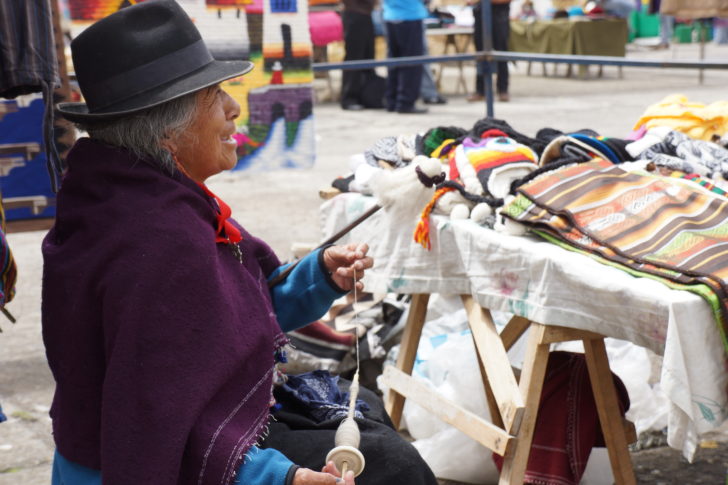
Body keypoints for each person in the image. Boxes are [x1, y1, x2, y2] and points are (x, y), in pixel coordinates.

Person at [44, 2, 377, 484]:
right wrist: (283, 477)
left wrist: (318, 275)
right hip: (129, 465)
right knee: (391, 464)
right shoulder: (159, 239)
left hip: (97, 452)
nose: (233, 106)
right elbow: (159, 424)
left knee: (364, 410)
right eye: (213, 95)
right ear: (166, 134)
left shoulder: (117, 195)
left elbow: (223, 325)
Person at [382, 0, 430, 113]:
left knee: (394, 61)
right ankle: (405, 102)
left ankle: (392, 100)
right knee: (412, 63)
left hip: (390, 16)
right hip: (410, 15)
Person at [340, 0, 386, 110]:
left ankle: (367, 96)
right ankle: (349, 98)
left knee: (368, 57)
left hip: (366, 15)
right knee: (354, 57)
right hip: (354, 15)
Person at [467, 0, 511, 103]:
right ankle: (481, 90)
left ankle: (503, 90)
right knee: (480, 54)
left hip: (499, 15)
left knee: (501, 53)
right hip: (480, 15)